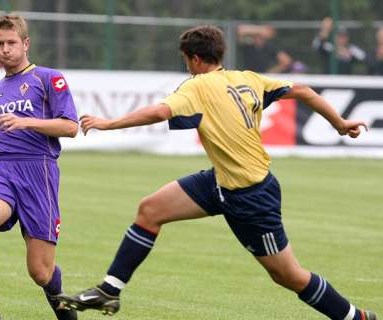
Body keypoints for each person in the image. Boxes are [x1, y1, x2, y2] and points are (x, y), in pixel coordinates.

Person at [57, 25, 377, 320]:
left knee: (288, 275)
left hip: (251, 195)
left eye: (186, 60)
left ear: (195, 59)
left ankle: (354, 317)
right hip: (220, 180)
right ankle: (108, 292)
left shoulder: (197, 86)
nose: (186, 65)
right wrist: (340, 123)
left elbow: (159, 111)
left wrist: (108, 123)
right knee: (150, 209)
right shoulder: (249, 78)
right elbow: (305, 91)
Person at [0, 15, 79, 320]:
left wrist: (27, 121)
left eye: (12, 43)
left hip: (39, 174)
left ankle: (65, 310)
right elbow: (5, 143)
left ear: (26, 44)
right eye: (0, 44)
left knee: (40, 272)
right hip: (1, 172)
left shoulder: (49, 78)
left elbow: (70, 127)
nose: (5, 49)